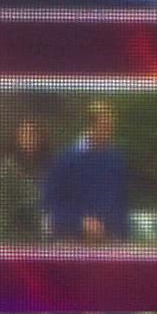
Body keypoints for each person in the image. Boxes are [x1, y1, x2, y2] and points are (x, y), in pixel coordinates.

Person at [42, 100, 131, 242]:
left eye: (111, 127)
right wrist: (80, 221)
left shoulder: (116, 160)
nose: (110, 132)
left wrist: (120, 234)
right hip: (72, 241)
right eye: (105, 127)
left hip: (109, 242)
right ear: (91, 126)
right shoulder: (65, 160)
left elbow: (121, 203)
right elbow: (50, 204)